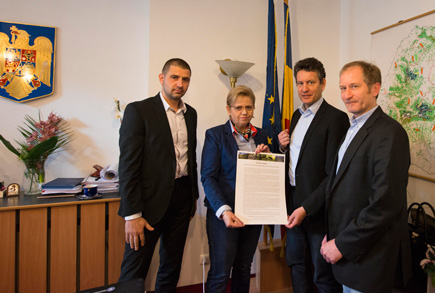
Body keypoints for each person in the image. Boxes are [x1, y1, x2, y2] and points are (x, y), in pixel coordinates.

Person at [319, 61, 412, 292]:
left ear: (375, 88)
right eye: (342, 88)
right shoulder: (353, 127)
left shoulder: (390, 133)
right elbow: (343, 189)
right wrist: (332, 235)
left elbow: (384, 204)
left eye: (354, 86)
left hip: (370, 261)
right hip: (349, 256)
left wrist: (341, 243)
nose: (346, 95)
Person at [117, 58, 199, 292]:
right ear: (162, 78)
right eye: (174, 77)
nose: (180, 84)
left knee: (171, 266)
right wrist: (132, 214)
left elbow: (189, 158)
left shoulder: (190, 114)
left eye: (185, 79)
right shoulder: (139, 110)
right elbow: (128, 166)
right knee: (134, 270)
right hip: (147, 203)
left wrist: (192, 197)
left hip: (182, 198)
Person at [278, 57, 348, 293]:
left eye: (310, 82)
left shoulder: (336, 119)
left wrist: (306, 208)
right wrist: (282, 148)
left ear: (323, 83)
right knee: (297, 265)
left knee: (322, 274)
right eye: (300, 83)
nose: (304, 89)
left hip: (317, 210)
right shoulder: (297, 115)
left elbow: (333, 175)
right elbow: (299, 160)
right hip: (293, 202)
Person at [201, 85, 270, 293]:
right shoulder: (215, 135)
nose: (244, 112)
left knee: (243, 268)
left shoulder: (262, 135)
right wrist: (224, 210)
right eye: (238, 107)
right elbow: (208, 177)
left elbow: (268, 174)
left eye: (249, 107)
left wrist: (267, 155)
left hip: (252, 212)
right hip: (224, 213)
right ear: (228, 109)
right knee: (221, 271)